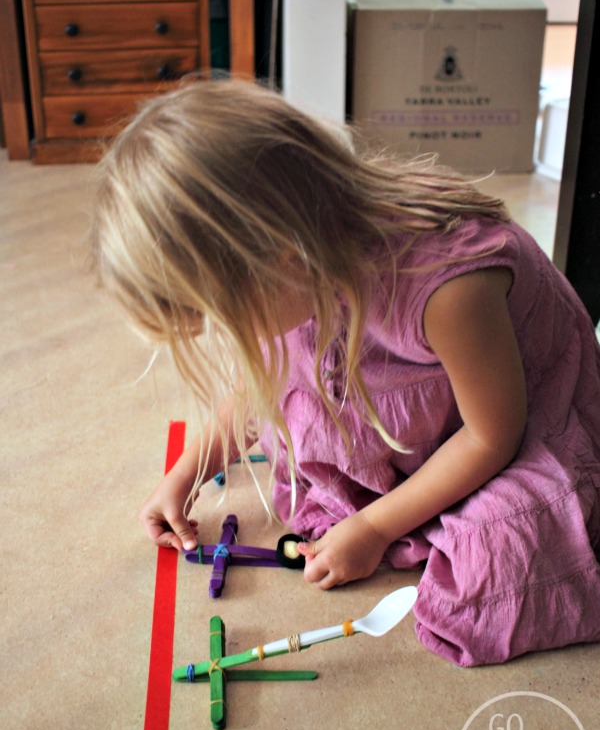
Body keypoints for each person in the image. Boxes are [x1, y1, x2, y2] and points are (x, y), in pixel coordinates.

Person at [90, 78, 600, 666]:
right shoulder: (299, 263)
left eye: (223, 312)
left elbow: (493, 436)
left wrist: (377, 527)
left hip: (514, 421)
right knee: (314, 460)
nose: (231, 333)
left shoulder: (447, 284)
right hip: (419, 400)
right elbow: (263, 388)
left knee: (499, 565)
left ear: (285, 254)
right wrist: (187, 472)